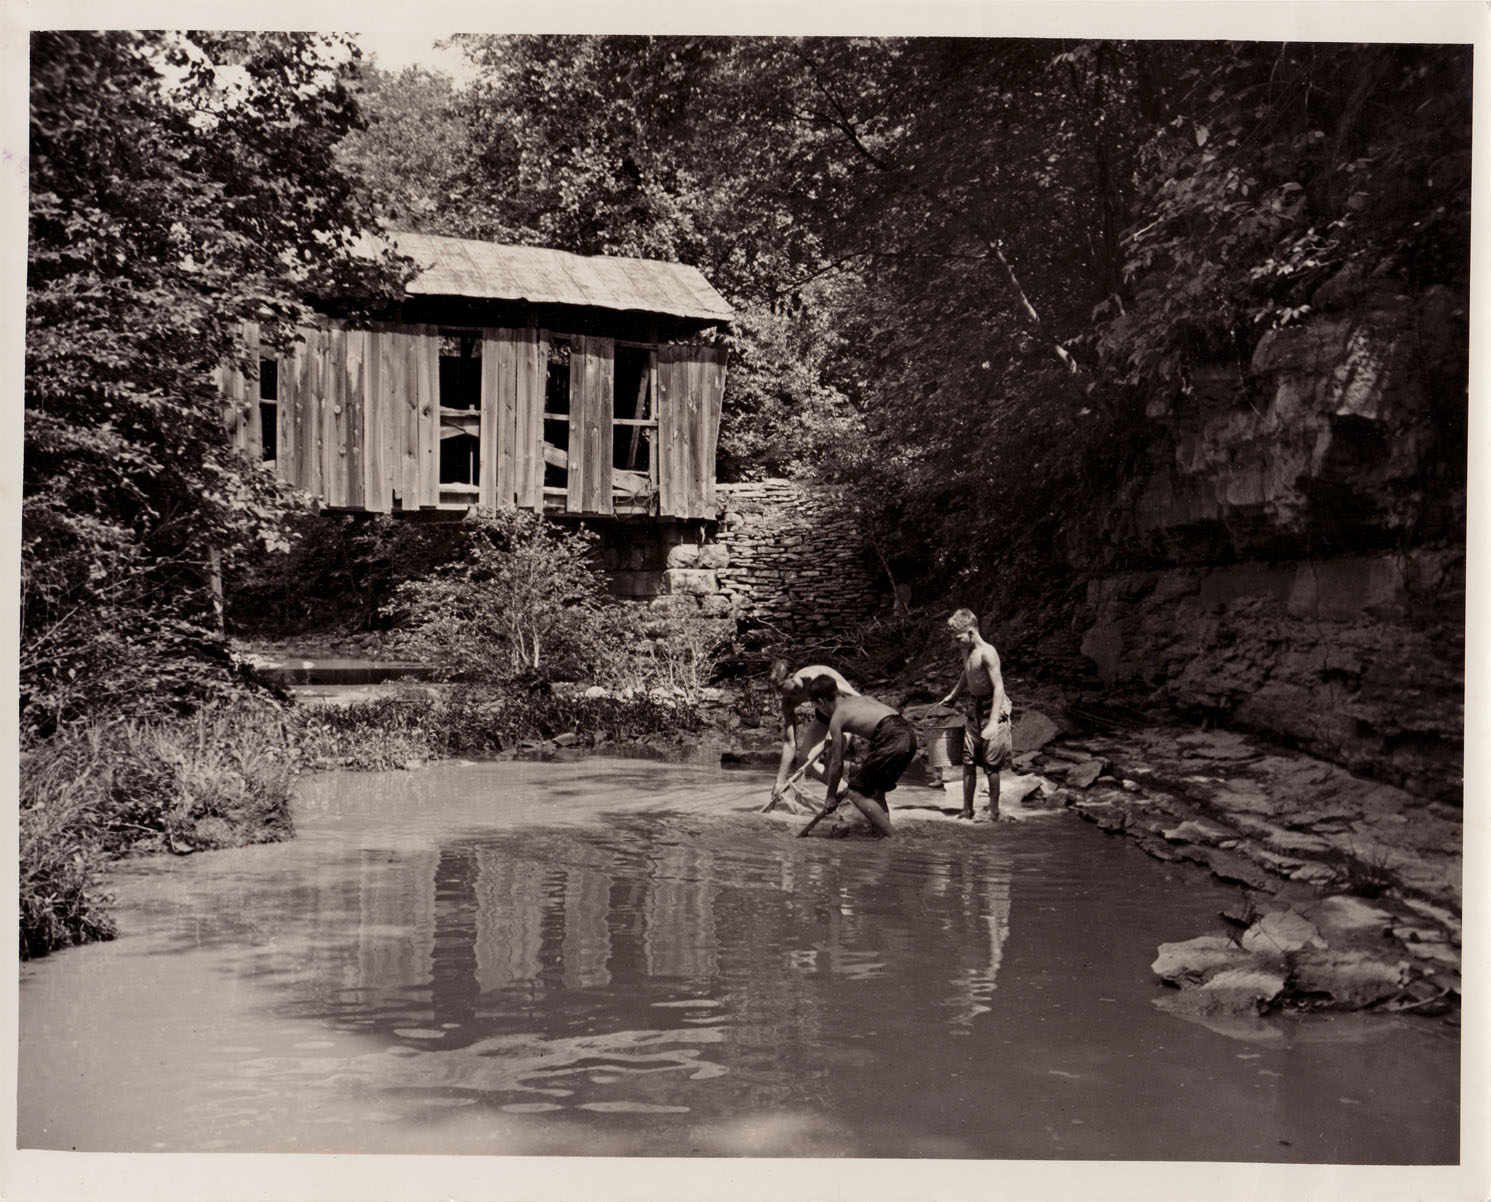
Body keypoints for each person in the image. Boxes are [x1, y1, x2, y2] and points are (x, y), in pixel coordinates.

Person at [809, 674, 917, 838]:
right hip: (909, 736)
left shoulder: (837, 718)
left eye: (816, 707)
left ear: (821, 703)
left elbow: (837, 763)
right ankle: (879, 835)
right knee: (876, 793)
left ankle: (895, 839)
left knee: (855, 793)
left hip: (890, 738)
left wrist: (830, 796)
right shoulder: (862, 699)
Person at [939, 608, 1013, 821]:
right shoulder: (966, 649)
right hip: (974, 706)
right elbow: (967, 671)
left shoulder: (988, 652)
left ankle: (994, 810)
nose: (956, 642)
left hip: (994, 705)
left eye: (958, 638)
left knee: (991, 763)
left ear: (971, 632)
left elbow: (999, 687)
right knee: (968, 759)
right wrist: (953, 694)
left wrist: (992, 723)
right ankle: (966, 809)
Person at [769, 659, 858, 806]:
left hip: (847, 712)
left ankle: (852, 794)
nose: (778, 694)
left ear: (791, 676)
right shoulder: (788, 701)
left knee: (832, 762)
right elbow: (789, 742)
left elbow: (854, 697)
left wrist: (837, 726)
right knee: (805, 760)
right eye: (775, 689)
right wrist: (779, 781)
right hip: (824, 714)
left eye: (780, 687)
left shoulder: (813, 677)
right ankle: (848, 794)